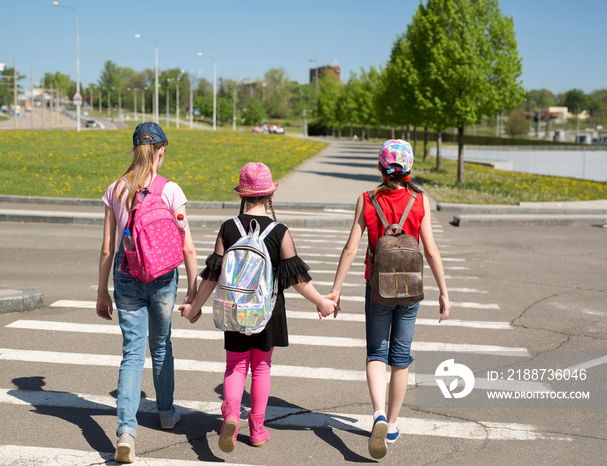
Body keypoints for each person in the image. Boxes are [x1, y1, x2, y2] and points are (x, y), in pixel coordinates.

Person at [179, 162, 338, 453]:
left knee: (235, 366)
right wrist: (323, 302)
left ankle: (230, 416)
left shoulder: (229, 228)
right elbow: (297, 279)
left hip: (234, 309)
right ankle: (257, 429)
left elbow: (212, 277)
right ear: (268, 196)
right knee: (261, 368)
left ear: (243, 194)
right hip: (268, 311)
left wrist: (193, 308)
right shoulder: (280, 232)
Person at [326, 139, 450, 460]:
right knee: (401, 357)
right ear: (409, 169)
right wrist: (444, 293)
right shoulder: (420, 201)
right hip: (411, 289)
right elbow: (432, 251)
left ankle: (378, 413)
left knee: (376, 354)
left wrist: (335, 290)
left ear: (380, 168)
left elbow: (351, 249)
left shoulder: (366, 200)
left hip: (377, 287)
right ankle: (392, 425)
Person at [95, 122, 198, 464]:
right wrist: (195, 290)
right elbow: (188, 247)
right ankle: (167, 413)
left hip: (126, 277)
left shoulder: (115, 189)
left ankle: (126, 432)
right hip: (164, 278)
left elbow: (108, 249)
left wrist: (102, 292)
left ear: (134, 149)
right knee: (161, 343)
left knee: (131, 354)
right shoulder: (171, 191)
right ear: (161, 151)